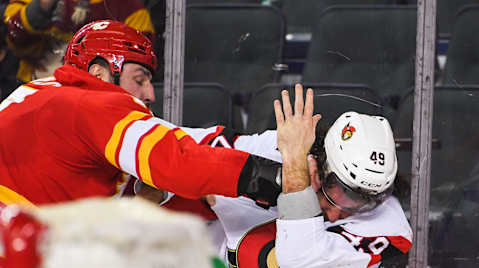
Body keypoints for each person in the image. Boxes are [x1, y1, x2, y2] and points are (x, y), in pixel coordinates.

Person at [160, 84, 413, 268]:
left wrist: (294, 175)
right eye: (335, 195)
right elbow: (171, 151)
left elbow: (299, 260)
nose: (335, 216)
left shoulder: (389, 225)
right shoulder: (273, 149)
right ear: (321, 165)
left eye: (361, 203)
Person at [0, 20, 281, 209]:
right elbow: (178, 162)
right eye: (140, 78)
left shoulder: (42, 89)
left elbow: (173, 141)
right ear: (100, 73)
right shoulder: (94, 105)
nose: (150, 94)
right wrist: (277, 179)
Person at [3, 0, 155, 82]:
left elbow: (140, 67)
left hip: (97, 104)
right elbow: (12, 37)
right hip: (36, 92)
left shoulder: (130, 9)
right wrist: (41, 7)